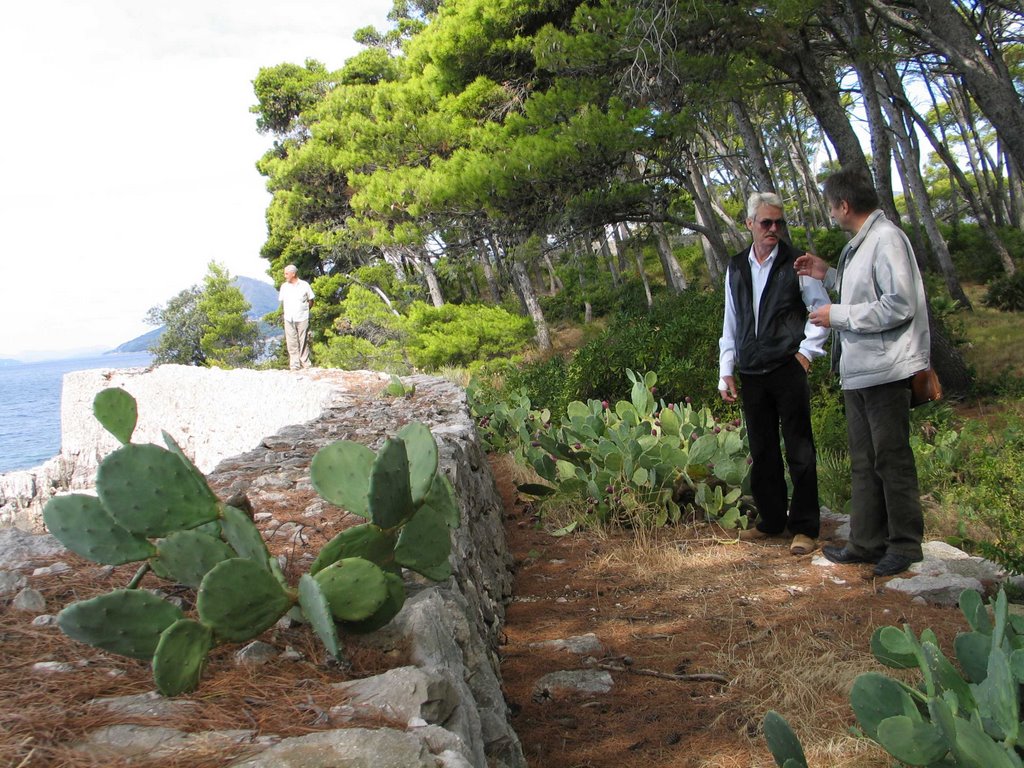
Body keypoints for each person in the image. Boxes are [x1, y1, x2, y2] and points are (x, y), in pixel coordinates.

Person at [794, 167, 930, 577]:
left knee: (891, 460)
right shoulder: (863, 243)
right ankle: (867, 542)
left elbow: (898, 303)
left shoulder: (886, 239)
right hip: (861, 371)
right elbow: (867, 292)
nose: (831, 215)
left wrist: (836, 315)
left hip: (886, 370)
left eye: (832, 207)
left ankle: (904, 545)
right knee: (864, 461)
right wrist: (828, 275)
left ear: (844, 205)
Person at [719, 192, 830, 556]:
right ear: (749, 224)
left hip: (787, 368)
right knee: (762, 449)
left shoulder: (796, 262)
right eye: (766, 222)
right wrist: (727, 369)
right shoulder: (736, 266)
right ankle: (770, 521)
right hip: (752, 371)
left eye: (779, 222)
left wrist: (805, 355)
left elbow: (821, 309)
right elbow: (731, 320)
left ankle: (804, 528)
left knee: (799, 449)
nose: (773, 229)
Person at [278, 264, 315, 370]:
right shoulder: (284, 287)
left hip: (302, 317)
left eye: (286, 274)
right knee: (291, 342)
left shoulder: (304, 285)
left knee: (303, 340)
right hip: (289, 318)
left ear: (293, 274)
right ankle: (294, 365)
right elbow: (282, 302)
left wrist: (306, 310)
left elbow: (311, 300)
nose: (285, 276)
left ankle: (305, 363)